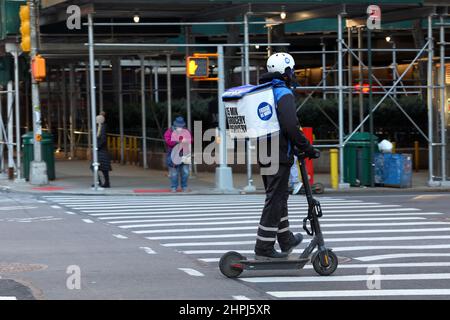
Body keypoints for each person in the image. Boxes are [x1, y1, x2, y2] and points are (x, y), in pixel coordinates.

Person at [255, 52, 320, 260]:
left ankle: (285, 240)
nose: (293, 75)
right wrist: (307, 148)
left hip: (264, 150)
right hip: (279, 153)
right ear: (285, 72)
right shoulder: (282, 92)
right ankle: (263, 248)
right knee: (275, 199)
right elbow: (291, 126)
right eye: (292, 70)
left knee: (280, 197)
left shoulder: (264, 91)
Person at [164, 116, 192, 193]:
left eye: (181, 126)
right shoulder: (169, 132)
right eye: (179, 126)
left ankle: (184, 187)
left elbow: (191, 140)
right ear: (175, 125)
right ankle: (174, 187)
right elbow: (168, 141)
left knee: (185, 172)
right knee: (174, 173)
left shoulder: (186, 131)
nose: (180, 128)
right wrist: (178, 141)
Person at [95, 113, 112, 188]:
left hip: (101, 151)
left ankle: (101, 182)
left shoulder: (102, 128)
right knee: (100, 168)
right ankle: (101, 182)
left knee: (100, 168)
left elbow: (103, 139)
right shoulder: (100, 127)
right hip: (101, 151)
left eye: (97, 119)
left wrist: (97, 147)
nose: (96, 120)